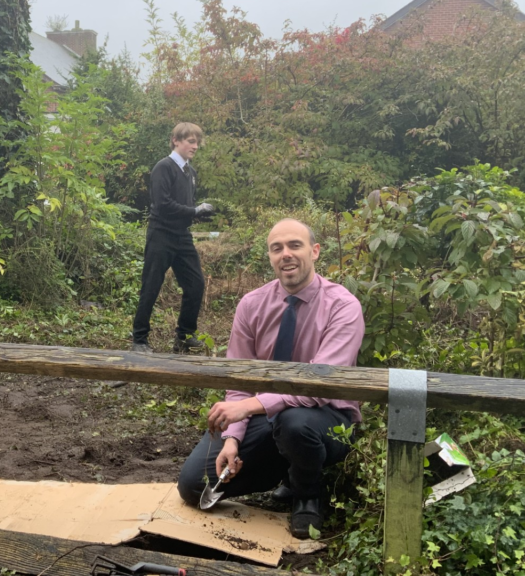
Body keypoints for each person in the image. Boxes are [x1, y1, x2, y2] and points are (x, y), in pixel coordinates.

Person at [176, 219, 364, 539]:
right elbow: (239, 382)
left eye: (295, 245)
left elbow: (319, 388)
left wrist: (250, 406)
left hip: (328, 418)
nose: (286, 254)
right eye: (277, 248)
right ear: (270, 257)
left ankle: (307, 493)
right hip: (266, 415)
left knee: (295, 423)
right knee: (194, 485)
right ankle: (285, 467)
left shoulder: (343, 306)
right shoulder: (252, 305)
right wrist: (233, 439)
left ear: (315, 251)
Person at [131, 122, 215, 354]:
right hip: (161, 235)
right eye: (190, 141)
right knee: (151, 285)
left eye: (197, 142)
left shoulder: (190, 172)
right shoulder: (163, 167)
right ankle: (139, 339)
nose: (195, 146)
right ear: (175, 140)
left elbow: (184, 206)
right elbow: (163, 204)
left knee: (196, 284)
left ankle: (185, 336)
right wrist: (194, 211)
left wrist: (198, 215)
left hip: (182, 237)